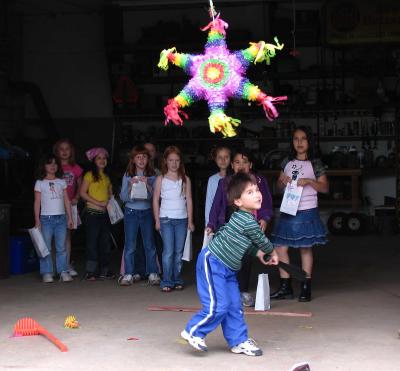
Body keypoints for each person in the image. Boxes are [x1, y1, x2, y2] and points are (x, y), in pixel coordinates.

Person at [181, 172, 279, 356]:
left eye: (257, 190)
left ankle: (239, 340)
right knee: (218, 306)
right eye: (250, 192)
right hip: (213, 263)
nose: (257, 194)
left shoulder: (246, 220)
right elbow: (260, 239)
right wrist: (271, 251)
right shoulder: (245, 220)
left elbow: (246, 245)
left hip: (228, 269)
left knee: (234, 305)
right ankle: (193, 331)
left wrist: (258, 253)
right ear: (238, 202)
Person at [206, 149, 273, 306]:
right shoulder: (225, 182)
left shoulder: (259, 181)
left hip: (249, 225)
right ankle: (227, 291)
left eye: (244, 162)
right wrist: (211, 224)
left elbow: (266, 203)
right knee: (227, 259)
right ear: (232, 165)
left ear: (250, 165)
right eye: (237, 162)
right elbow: (216, 206)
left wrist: (264, 218)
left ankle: (242, 291)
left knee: (246, 259)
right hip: (228, 226)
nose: (241, 165)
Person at [270, 126, 329, 302]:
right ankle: (285, 286)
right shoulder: (286, 161)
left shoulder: (315, 163)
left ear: (309, 141)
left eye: (303, 139)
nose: (300, 142)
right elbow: (279, 187)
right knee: (280, 247)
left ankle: (305, 287)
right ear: (292, 142)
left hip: (307, 209)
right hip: (288, 209)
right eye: (296, 139)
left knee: (305, 247)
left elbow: (325, 188)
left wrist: (310, 181)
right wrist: (281, 181)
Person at [153, 146, 194, 292]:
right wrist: (157, 220)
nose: (174, 163)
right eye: (171, 160)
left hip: (182, 219)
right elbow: (155, 199)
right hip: (166, 219)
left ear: (180, 162)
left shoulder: (185, 179)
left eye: (177, 160)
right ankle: (166, 281)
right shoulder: (160, 179)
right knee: (168, 251)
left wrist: (190, 220)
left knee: (178, 252)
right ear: (165, 161)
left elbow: (188, 199)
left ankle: (177, 279)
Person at [118, 145, 160, 286]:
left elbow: (155, 197)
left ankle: (153, 273)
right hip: (131, 212)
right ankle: (129, 273)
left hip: (147, 212)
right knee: (130, 244)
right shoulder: (127, 175)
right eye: (138, 157)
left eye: (144, 157)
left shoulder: (153, 175)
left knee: (149, 244)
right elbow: (123, 197)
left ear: (148, 159)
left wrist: (148, 184)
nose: (141, 160)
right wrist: (130, 185)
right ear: (133, 160)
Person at [33, 153, 73, 283]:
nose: (52, 166)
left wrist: (70, 217)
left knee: (61, 247)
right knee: (46, 248)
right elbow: (37, 202)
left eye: (55, 163)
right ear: (44, 166)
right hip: (46, 219)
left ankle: (63, 271)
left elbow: (66, 200)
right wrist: (37, 220)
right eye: (49, 163)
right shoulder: (40, 183)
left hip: (61, 218)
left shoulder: (61, 182)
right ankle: (47, 272)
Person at [80, 147, 114, 281]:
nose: (102, 160)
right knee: (92, 243)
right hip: (92, 214)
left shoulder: (106, 177)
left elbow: (110, 194)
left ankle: (104, 270)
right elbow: (83, 193)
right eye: (99, 158)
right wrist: (98, 202)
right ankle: (90, 271)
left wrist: (110, 196)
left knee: (105, 243)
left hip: (104, 215)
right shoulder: (89, 175)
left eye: (104, 158)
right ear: (93, 160)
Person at [53, 139, 83, 277]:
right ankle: (55, 265)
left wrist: (77, 197)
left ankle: (66, 263)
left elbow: (80, 185)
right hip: (54, 205)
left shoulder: (75, 168)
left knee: (67, 236)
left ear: (71, 152)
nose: (64, 152)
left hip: (70, 205)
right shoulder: (54, 166)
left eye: (67, 149)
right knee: (54, 236)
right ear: (57, 151)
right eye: (61, 149)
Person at [204, 146, 231, 226]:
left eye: (226, 157)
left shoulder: (235, 178)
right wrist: (208, 223)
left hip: (233, 220)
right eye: (220, 157)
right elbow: (209, 202)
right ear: (215, 160)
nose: (223, 160)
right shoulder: (212, 179)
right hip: (217, 221)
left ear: (231, 159)